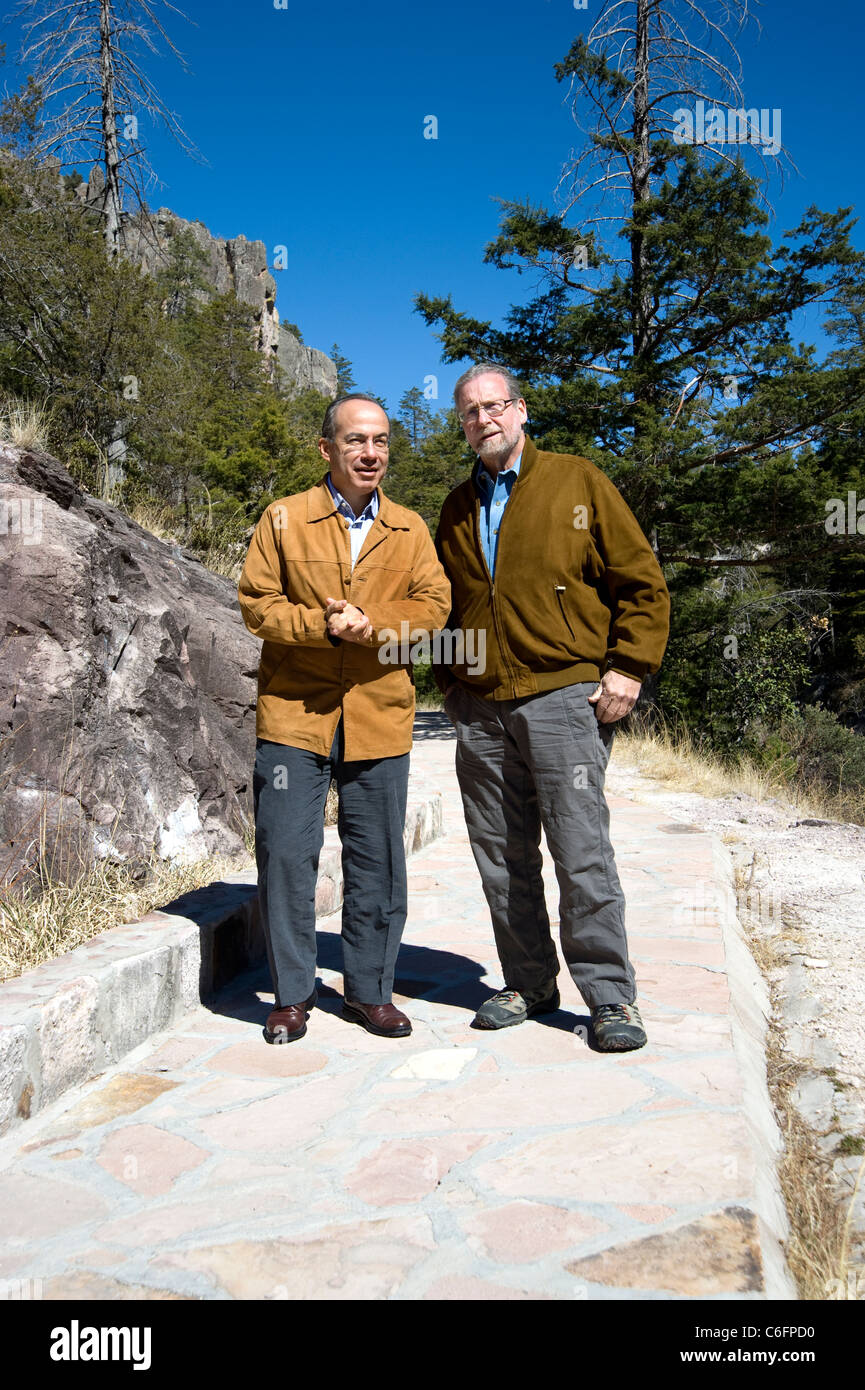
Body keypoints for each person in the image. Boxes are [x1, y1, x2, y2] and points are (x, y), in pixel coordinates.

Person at [434, 362, 670, 1051]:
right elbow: (444, 604)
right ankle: (530, 983)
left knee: (580, 852)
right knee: (500, 857)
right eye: (470, 412)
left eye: (494, 406)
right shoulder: (455, 506)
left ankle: (609, 999)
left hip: (564, 698)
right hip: (480, 708)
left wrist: (627, 665)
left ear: (521, 410)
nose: (484, 419)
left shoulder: (577, 481)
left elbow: (641, 582)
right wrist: (451, 682)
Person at [238, 394, 451, 1044]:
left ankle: (369, 992)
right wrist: (324, 627)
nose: (370, 453)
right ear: (326, 448)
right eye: (356, 440)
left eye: (381, 441)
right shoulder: (283, 519)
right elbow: (254, 603)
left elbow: (436, 607)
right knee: (286, 854)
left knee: (378, 861)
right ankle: (292, 995)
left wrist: (374, 626)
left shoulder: (410, 529)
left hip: (379, 716)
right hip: (293, 718)